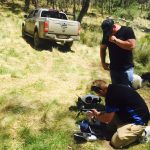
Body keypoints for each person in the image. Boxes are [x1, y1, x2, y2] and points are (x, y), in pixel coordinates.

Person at [87, 79, 149, 148]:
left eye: (98, 93)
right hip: (127, 115)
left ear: (101, 91)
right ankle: (123, 129)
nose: (99, 95)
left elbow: (107, 119)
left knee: (115, 141)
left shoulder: (111, 96)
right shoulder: (114, 88)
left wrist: (96, 116)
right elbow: (109, 113)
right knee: (108, 128)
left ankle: (144, 132)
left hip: (138, 122)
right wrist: (98, 114)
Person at [100, 19, 136, 87]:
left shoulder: (127, 30)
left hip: (126, 69)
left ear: (114, 26)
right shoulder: (107, 33)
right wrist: (103, 63)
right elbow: (102, 48)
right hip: (113, 69)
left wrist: (116, 41)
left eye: (110, 32)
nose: (108, 34)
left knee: (126, 92)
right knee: (116, 91)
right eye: (106, 33)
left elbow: (132, 45)